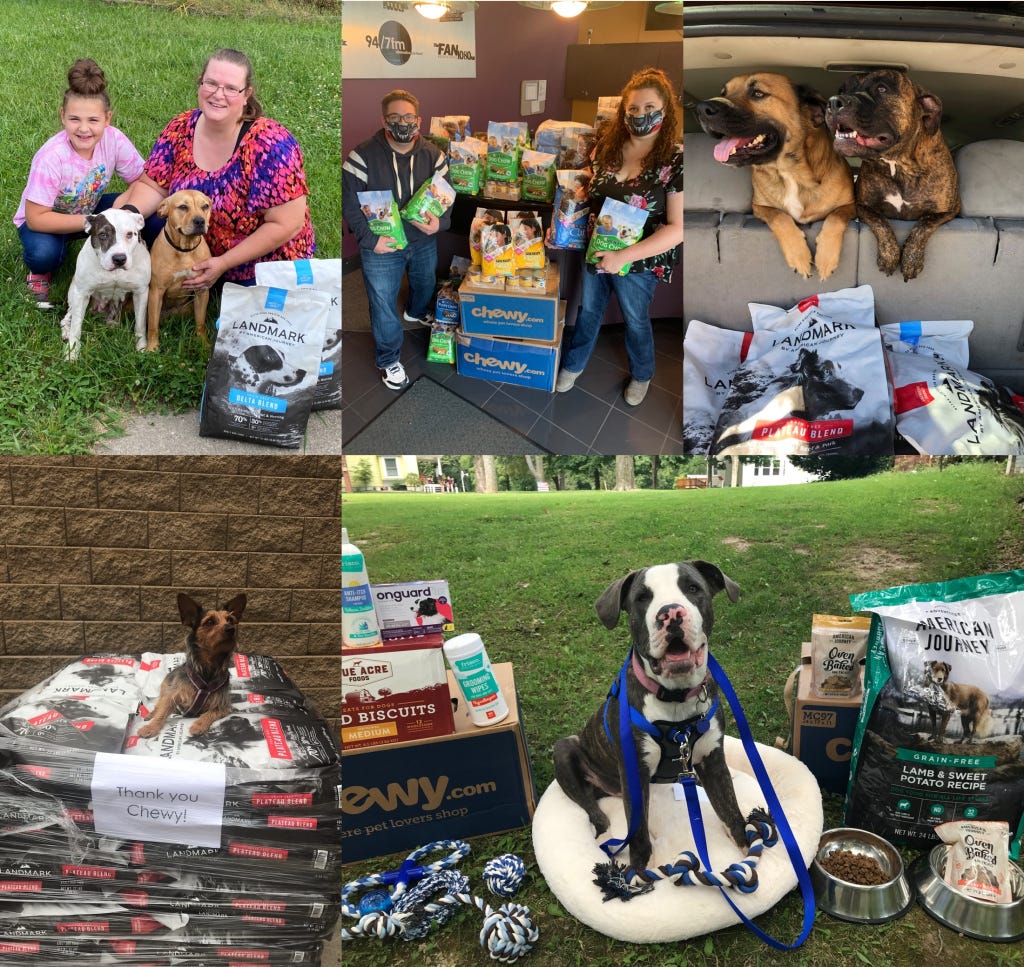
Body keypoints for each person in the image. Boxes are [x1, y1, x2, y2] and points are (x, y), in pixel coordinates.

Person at [117, 48, 314, 289]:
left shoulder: (271, 144)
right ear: (200, 83)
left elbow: (287, 224)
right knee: (134, 217)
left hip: (262, 261)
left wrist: (222, 264)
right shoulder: (180, 127)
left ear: (246, 94)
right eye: (210, 83)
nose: (218, 95)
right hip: (195, 243)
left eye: (231, 88)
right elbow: (154, 186)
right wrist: (125, 217)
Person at [552, 66, 684, 407]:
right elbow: (583, 194)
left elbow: (678, 228)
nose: (641, 115)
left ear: (665, 110)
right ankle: (573, 364)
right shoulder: (607, 148)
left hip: (638, 262)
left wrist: (623, 257)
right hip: (597, 249)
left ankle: (642, 373)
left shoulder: (676, 160)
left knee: (636, 319)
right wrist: (563, 226)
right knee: (589, 311)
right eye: (634, 109)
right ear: (624, 113)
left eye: (650, 108)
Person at [14, 58, 145, 308]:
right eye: (75, 119)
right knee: (43, 255)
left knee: (150, 217)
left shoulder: (114, 140)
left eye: (93, 120)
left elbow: (143, 180)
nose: (84, 129)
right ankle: (40, 272)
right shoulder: (51, 156)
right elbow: (35, 217)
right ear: (63, 116)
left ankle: (130, 259)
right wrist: (95, 223)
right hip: (47, 219)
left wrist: (122, 209)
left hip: (90, 210)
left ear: (107, 119)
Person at [342, 89, 450, 391]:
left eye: (408, 117)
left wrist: (440, 224)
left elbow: (447, 195)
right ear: (383, 120)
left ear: (419, 120)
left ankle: (415, 312)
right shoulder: (361, 156)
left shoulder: (434, 156)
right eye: (394, 118)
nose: (402, 123)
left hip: (422, 240)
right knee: (381, 303)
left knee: (425, 283)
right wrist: (368, 239)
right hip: (381, 245)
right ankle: (388, 358)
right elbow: (348, 201)